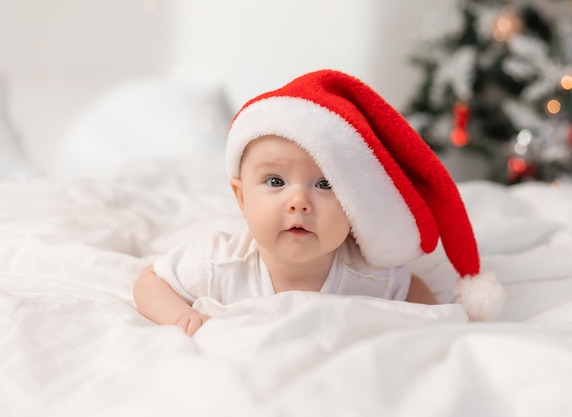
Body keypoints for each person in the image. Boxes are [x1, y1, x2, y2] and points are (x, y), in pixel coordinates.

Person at [133, 69, 505, 336]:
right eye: (275, 181)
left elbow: (416, 295)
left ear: (354, 203)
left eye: (325, 183)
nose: (299, 202)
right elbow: (152, 279)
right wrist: (180, 317)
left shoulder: (368, 277)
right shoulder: (219, 265)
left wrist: (439, 329)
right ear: (241, 197)